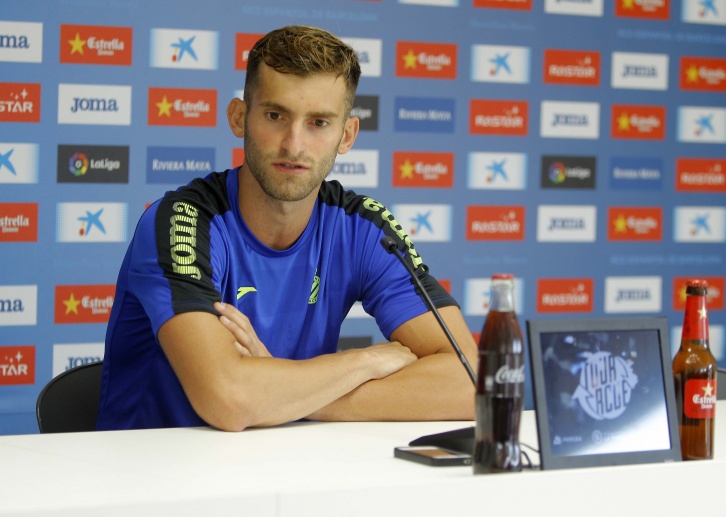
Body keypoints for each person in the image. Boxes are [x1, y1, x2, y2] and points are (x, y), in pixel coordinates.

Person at [96, 25, 478, 431]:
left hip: (283, 461)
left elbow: (472, 382)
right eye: (275, 116)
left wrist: (284, 392)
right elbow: (229, 399)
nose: (294, 145)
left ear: (346, 135)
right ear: (239, 117)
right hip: (152, 466)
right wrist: (362, 361)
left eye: (319, 123)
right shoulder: (184, 222)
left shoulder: (362, 229)